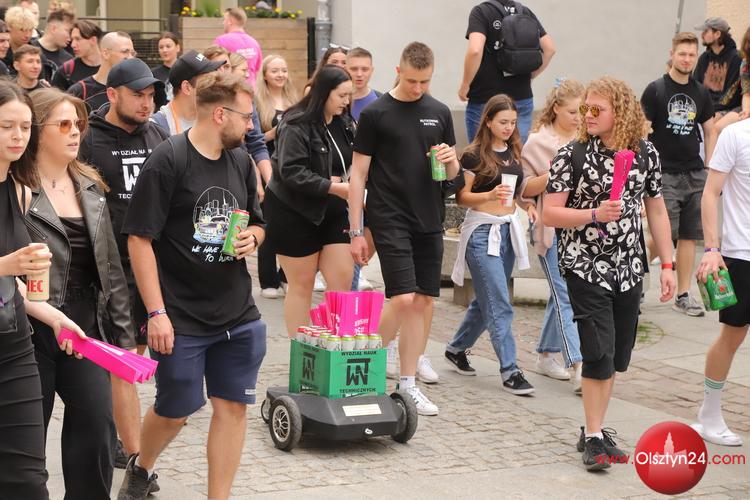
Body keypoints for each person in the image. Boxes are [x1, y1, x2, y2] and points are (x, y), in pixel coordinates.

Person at [117, 72, 266, 500]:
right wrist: (156, 313)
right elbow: (139, 239)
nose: (251, 126)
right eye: (246, 117)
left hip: (237, 310)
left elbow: (259, 222)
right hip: (180, 315)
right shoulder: (168, 159)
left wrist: (253, 238)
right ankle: (142, 465)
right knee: (176, 410)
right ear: (220, 114)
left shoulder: (241, 160)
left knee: (232, 406)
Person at [544, 76, 676, 471]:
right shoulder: (572, 155)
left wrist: (668, 265)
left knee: (617, 354)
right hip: (584, 265)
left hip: (629, 266)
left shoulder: (645, 153)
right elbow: (550, 213)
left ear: (620, 112)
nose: (587, 115)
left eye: (596, 109)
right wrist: (593, 214)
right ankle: (593, 435)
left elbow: (656, 209)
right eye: (585, 108)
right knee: (597, 352)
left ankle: (596, 430)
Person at [15, 87, 136, 498]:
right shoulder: (15, 187)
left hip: (84, 325)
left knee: (97, 424)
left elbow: (111, 265)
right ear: (38, 131)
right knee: (28, 435)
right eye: (64, 124)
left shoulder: (89, 184)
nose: (75, 132)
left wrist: (123, 335)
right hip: (31, 324)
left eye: (79, 124)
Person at [349, 42, 460, 415]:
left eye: (425, 82)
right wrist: (356, 231)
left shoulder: (439, 112)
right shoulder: (376, 114)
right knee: (402, 298)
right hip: (389, 216)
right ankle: (363, 366)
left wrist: (452, 162)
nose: (418, 88)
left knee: (424, 301)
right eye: (412, 80)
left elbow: (452, 174)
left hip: (429, 216)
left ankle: (408, 384)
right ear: (398, 72)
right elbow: (358, 175)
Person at [79, 58, 168, 469]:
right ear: (113, 94)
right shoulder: (88, 138)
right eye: (138, 95)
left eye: (151, 95)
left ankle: (123, 430)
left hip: (152, 263)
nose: (146, 103)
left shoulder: (158, 134)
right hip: (109, 268)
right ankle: (133, 456)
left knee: (139, 353)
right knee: (122, 357)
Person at [0, 79, 85, 500]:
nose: (17, 136)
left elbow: (13, 287)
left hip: (15, 347)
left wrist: (55, 317)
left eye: (24, 127)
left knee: (29, 480)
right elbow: (6, 270)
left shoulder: (18, 190)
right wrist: (6, 265)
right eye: (6, 127)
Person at [446, 94, 537, 395]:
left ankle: (456, 348)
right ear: (488, 121)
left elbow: (517, 194)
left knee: (485, 299)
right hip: (482, 232)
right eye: (503, 122)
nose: (509, 127)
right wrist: (489, 195)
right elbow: (462, 198)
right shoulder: (473, 155)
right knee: (499, 301)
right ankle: (510, 370)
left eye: (512, 122)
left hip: (507, 231)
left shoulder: (514, 152)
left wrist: (528, 205)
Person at [265, 64, 354, 333]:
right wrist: (333, 186)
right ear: (324, 93)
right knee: (301, 285)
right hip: (294, 211)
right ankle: (300, 348)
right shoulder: (295, 123)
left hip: (333, 208)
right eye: (341, 95)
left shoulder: (345, 122)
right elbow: (291, 172)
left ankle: (338, 346)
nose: (346, 101)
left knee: (342, 280)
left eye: (349, 95)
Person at [641, 32, 718, 317]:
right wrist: (644, 170)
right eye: (682, 54)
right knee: (664, 234)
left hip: (695, 174)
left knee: (688, 236)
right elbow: (643, 131)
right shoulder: (655, 90)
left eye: (691, 55)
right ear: (672, 54)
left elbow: (710, 130)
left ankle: (683, 294)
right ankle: (634, 283)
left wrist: (710, 167)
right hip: (663, 173)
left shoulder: (701, 92)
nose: (687, 59)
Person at [519, 78, 585, 393]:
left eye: (582, 111)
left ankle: (546, 355)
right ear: (556, 108)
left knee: (561, 295)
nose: (578, 118)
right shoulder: (537, 142)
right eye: (573, 111)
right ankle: (580, 364)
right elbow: (523, 188)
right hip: (550, 229)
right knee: (566, 293)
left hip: (582, 229)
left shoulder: (587, 138)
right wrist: (553, 175)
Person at [692, 114, 750, 447]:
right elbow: (710, 193)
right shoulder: (735, 135)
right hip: (742, 252)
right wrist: (712, 249)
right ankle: (710, 414)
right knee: (733, 335)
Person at [459, 0, 555, 143]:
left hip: (485, 99)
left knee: (481, 154)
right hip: (522, 98)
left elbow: (475, 50)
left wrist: (465, 84)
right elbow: (549, 49)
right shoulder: (524, 12)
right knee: (515, 153)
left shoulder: (481, 12)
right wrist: (530, 76)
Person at [254, 54, 297, 299]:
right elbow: (254, 140)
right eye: (275, 71)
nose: (280, 75)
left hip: (291, 167)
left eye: (284, 70)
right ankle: (268, 280)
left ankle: (286, 275)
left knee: (291, 225)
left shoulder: (294, 100)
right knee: (269, 223)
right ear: (265, 75)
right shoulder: (258, 102)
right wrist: (273, 132)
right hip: (267, 167)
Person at [150, 49, 224, 135]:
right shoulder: (157, 128)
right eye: (207, 82)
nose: (213, 87)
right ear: (187, 88)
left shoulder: (214, 120)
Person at [67, 31, 135, 112]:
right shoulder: (80, 91)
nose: (130, 57)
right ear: (106, 54)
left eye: (132, 53)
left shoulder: (134, 87)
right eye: (125, 52)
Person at [694, 17, 742, 115]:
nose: (702, 35)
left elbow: (730, 97)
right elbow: (695, 86)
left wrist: (708, 111)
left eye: (706, 31)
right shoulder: (704, 58)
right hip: (703, 109)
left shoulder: (736, 59)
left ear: (717, 34)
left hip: (727, 110)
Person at [714, 26, 750, 134]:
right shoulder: (746, 65)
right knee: (716, 128)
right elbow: (747, 94)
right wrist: (746, 110)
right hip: (745, 106)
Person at [213, 7, 262, 86]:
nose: (223, 23)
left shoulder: (221, 41)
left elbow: (214, 67)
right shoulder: (254, 42)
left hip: (231, 88)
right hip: (252, 88)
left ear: (229, 21)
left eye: (224, 20)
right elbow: (258, 70)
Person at [50, 19, 101, 91]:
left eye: (78, 39)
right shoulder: (65, 71)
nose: (73, 45)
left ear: (93, 40)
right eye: (72, 40)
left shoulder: (111, 67)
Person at [32, 8, 73, 74]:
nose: (70, 36)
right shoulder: (29, 49)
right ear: (54, 29)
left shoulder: (68, 60)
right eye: (67, 31)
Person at [347, 46, 381, 121]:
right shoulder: (335, 102)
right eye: (354, 69)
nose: (359, 74)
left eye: (365, 69)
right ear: (345, 69)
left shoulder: (381, 102)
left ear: (371, 71)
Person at [3, 5, 35, 72]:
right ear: (9, 27)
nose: (27, 35)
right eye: (22, 30)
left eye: (30, 30)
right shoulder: (2, 50)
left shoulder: (36, 52)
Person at [151, 31, 180, 102]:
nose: (164, 50)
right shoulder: (152, 74)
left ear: (177, 48)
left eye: (168, 46)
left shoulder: (187, 71)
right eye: (161, 47)